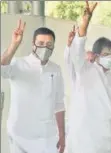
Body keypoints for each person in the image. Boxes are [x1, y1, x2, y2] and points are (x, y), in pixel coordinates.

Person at [65, 1, 111, 153]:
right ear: (96, 55)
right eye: (105, 54)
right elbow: (77, 51)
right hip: (83, 139)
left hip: (106, 139)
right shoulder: (84, 69)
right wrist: (84, 23)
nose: (110, 57)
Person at [1, 20, 65, 153]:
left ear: (53, 47)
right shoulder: (19, 64)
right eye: (40, 43)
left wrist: (62, 134)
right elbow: (2, 68)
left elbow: (59, 104)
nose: (45, 48)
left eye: (49, 44)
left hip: (47, 136)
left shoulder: (56, 69)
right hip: (20, 136)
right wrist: (14, 44)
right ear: (33, 44)